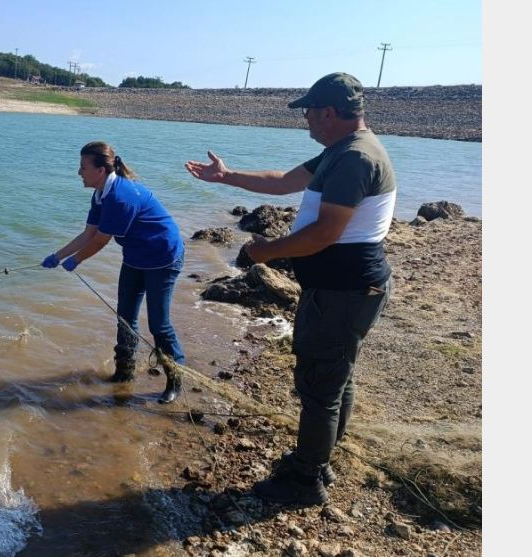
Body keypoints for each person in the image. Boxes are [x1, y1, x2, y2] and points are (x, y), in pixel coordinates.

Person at [185, 72, 395, 506]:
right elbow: (282, 180)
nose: (307, 123)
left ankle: (305, 480)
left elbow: (325, 233)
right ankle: (318, 459)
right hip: (341, 289)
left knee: (320, 386)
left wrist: (267, 252)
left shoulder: (356, 158)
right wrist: (226, 178)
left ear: (330, 112)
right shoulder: (342, 151)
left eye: (309, 113)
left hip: (344, 291)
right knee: (334, 379)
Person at [43, 141, 186, 404]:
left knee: (158, 323)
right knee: (125, 317)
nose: (79, 173)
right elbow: (88, 233)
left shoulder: (121, 196)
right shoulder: (100, 194)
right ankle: (124, 374)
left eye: (83, 167)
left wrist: (76, 261)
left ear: (100, 169)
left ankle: (175, 379)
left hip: (163, 257)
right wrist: (58, 255)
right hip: (135, 257)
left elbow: (100, 241)